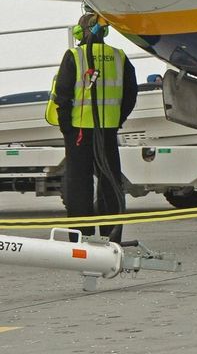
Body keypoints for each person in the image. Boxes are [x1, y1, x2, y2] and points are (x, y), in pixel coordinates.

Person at [48, 13, 138, 241]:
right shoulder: (119, 56)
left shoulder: (75, 56)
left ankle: (80, 238)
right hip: (107, 131)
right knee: (111, 184)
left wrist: (66, 127)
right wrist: (117, 120)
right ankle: (111, 237)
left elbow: (61, 95)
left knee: (79, 185)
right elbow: (130, 96)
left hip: (79, 132)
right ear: (104, 31)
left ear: (79, 33)